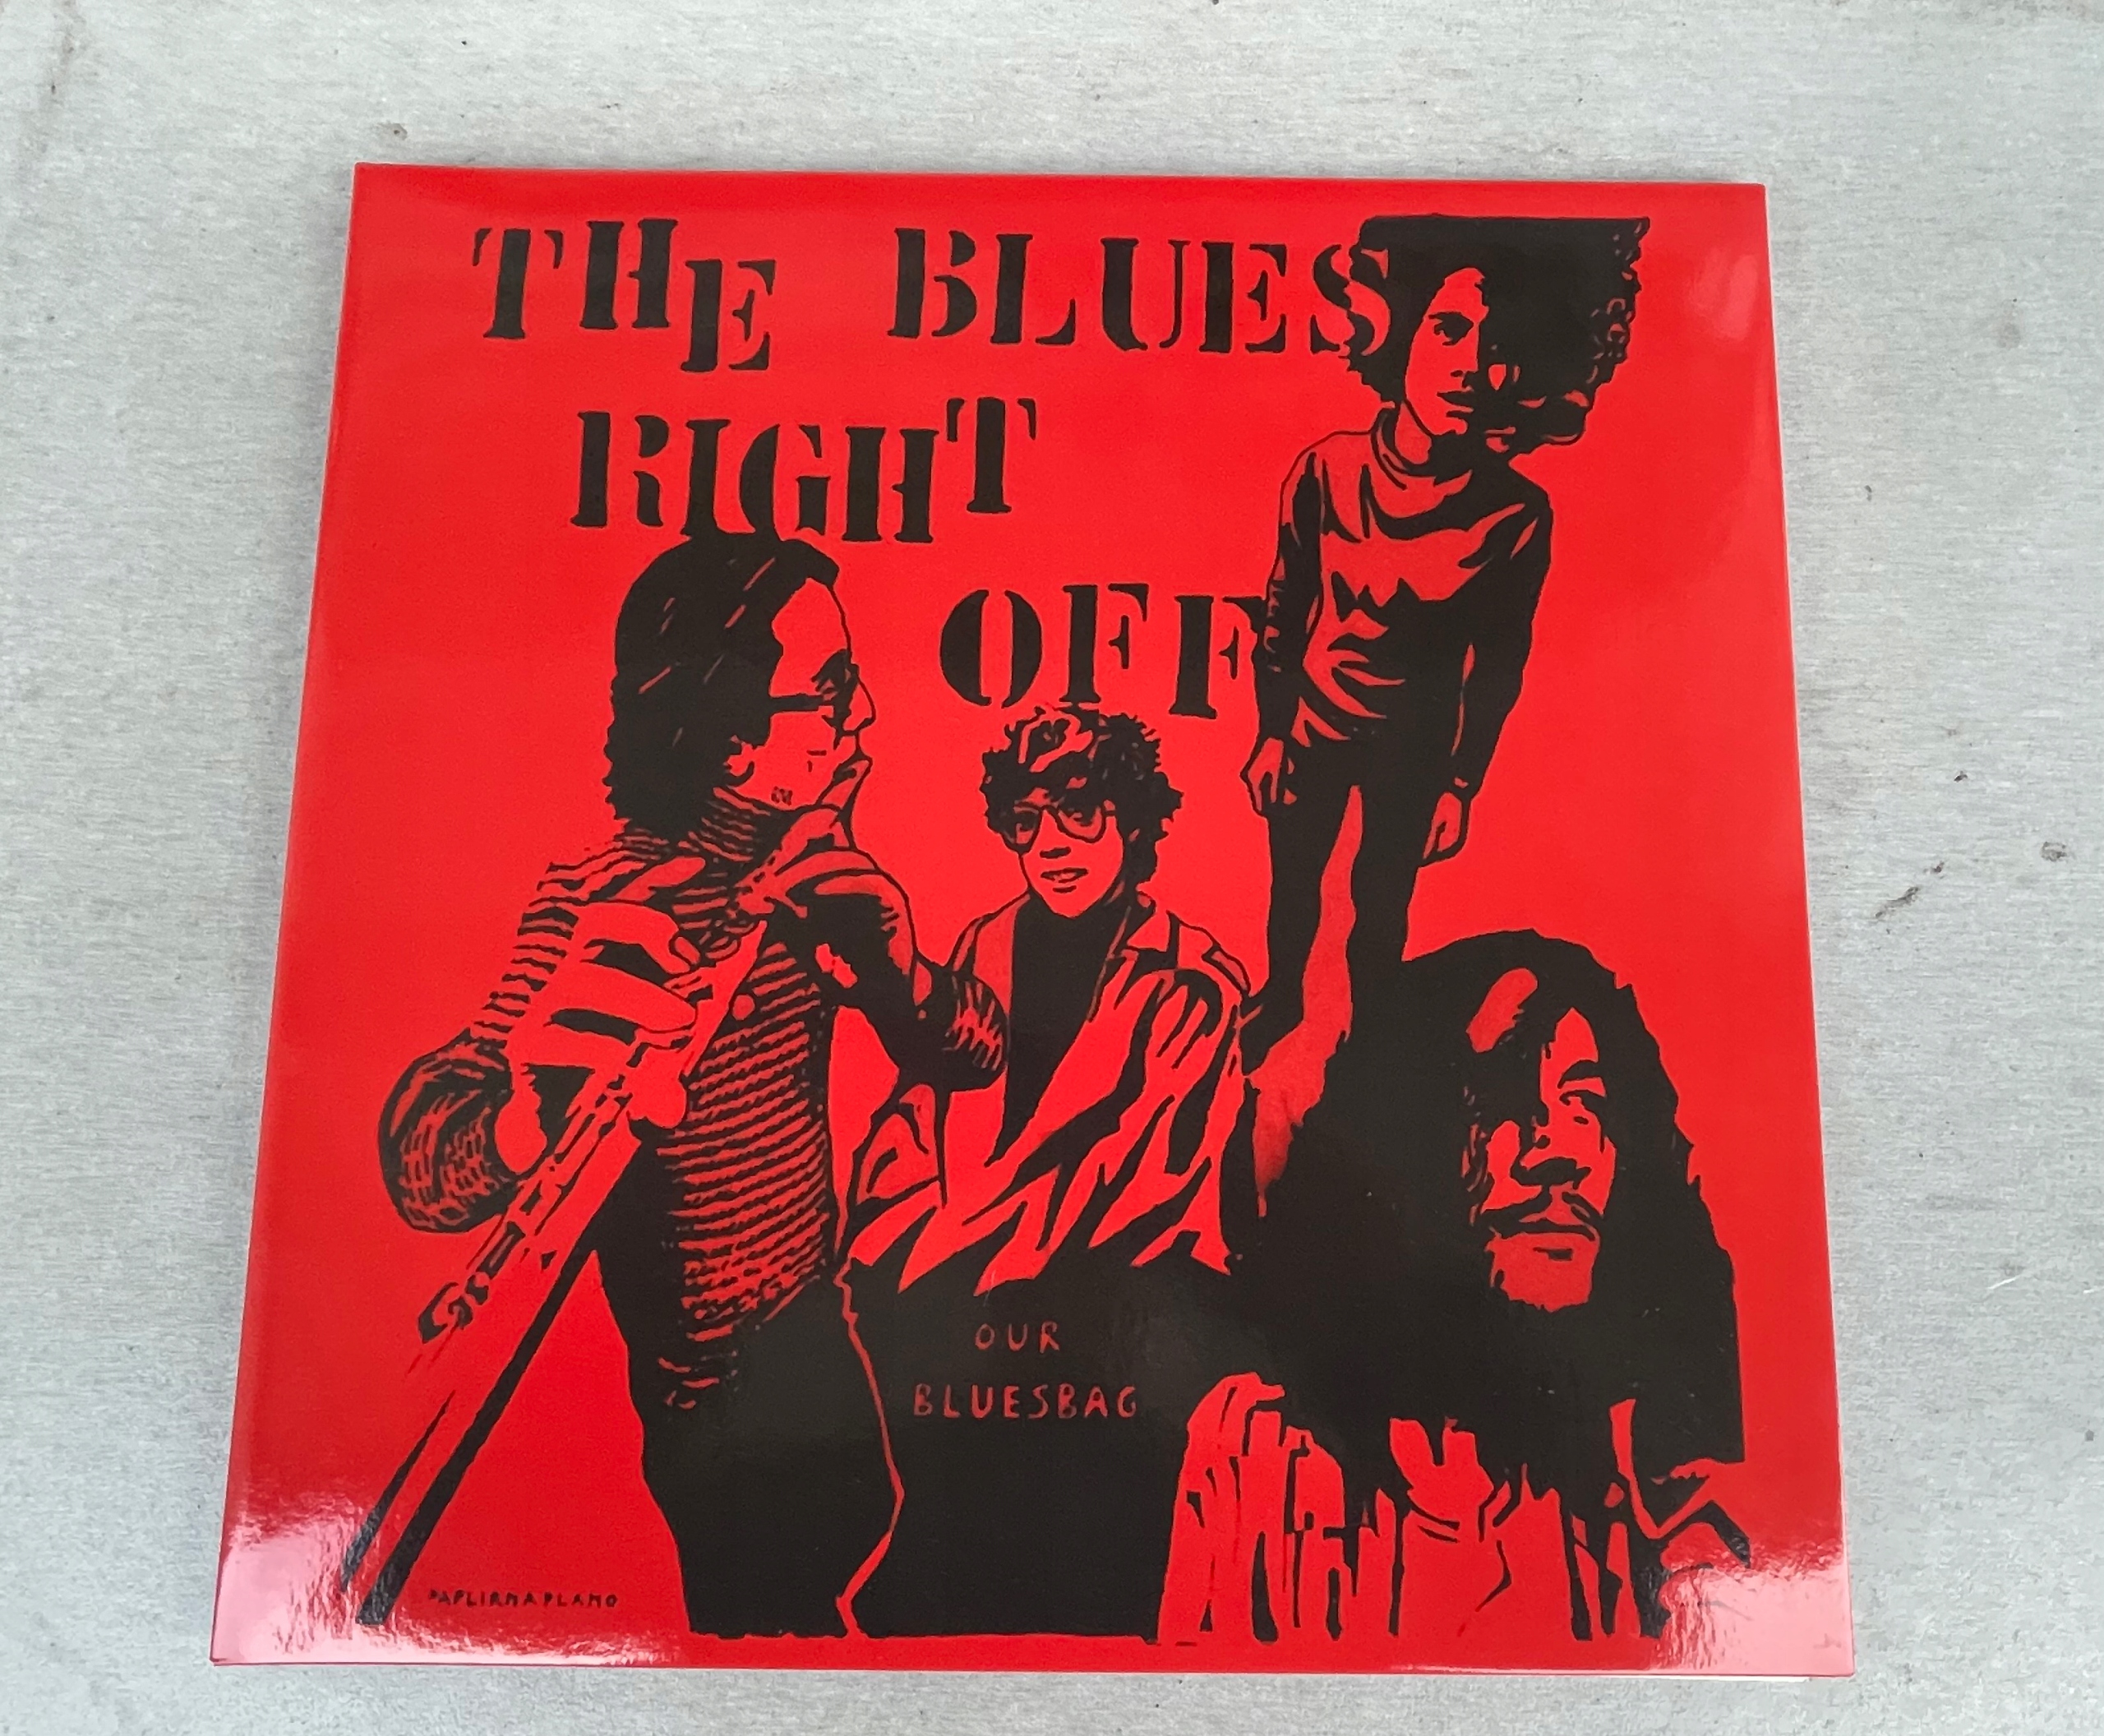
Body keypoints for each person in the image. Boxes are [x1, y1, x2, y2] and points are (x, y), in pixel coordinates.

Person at [378, 529, 1004, 1638]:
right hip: (707, 1388)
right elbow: (426, 1166)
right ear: (731, 745)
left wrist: (901, 978)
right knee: (766, 1610)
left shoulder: (819, 872)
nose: (863, 715)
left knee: (863, 1520)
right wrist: (526, 1113)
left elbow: (976, 1056)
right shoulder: (599, 903)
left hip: (817, 1320)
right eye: (833, 692)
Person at [1161, 931, 1747, 1654]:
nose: (1558, 1149)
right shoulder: (1264, 1454)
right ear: (1402, 1142)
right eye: (1498, 1101)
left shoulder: (1633, 1485)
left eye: (1584, 1102)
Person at [844, 704, 1252, 1637]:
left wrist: (939, 1253)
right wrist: (883, 1232)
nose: (1051, 844)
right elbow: (911, 1119)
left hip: (1109, 1322)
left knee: (1095, 1583)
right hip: (960, 1315)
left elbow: (1134, 1182)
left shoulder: (1193, 980)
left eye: (1079, 812)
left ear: (1133, 821)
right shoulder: (981, 946)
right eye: (1027, 821)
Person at [1241, 216, 1646, 1066]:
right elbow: (1282, 613)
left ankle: (1367, 1050)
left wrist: (1461, 783)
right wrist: (1270, 733)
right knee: (1295, 887)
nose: (1469, 365)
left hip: (1414, 750)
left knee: (1379, 906)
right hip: (1314, 724)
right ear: (1397, 332)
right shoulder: (1325, 469)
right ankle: (1278, 1004)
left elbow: (1498, 666)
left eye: (1497, 345)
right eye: (1449, 329)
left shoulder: (1516, 514)